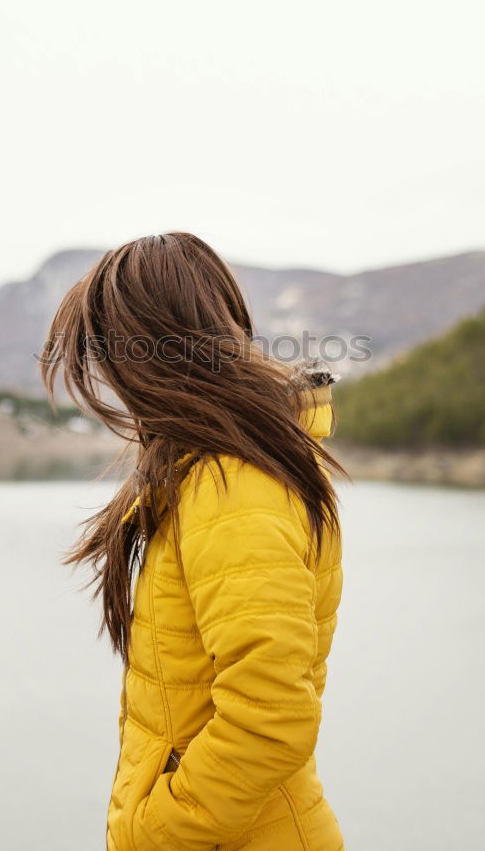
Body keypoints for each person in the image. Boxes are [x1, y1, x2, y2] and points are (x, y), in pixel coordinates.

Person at [42, 232, 346, 850]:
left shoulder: (232, 484)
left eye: (106, 356)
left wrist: (156, 833)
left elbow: (271, 716)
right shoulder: (216, 470)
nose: (109, 379)